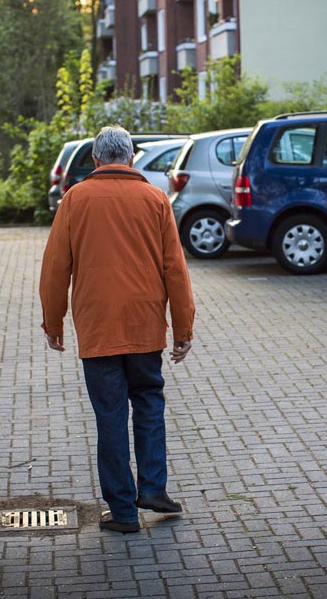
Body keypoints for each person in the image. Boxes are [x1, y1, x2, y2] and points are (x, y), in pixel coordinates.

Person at [39, 125, 196, 534]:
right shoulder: (155, 199)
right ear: (131, 158)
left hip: (98, 327)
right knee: (148, 402)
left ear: (95, 159)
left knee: (110, 415)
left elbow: (56, 267)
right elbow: (175, 269)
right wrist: (183, 328)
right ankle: (154, 488)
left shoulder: (75, 200)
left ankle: (123, 511)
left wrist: (53, 321)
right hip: (144, 324)